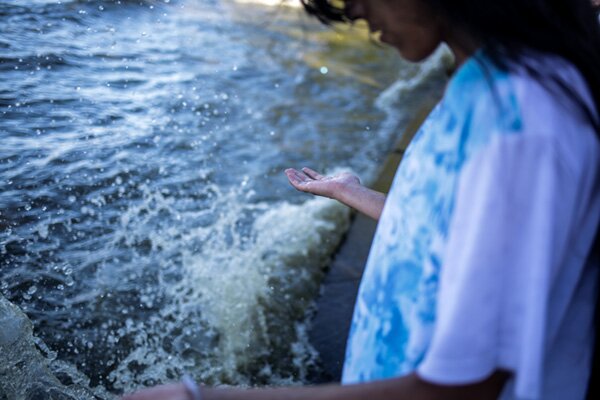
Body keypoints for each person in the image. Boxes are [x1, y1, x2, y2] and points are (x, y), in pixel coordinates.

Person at [123, 1, 600, 399]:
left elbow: (464, 388)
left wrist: (200, 397)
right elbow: (452, 239)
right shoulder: (484, 80)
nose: (353, 11)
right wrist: (353, 194)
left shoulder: (524, 121)